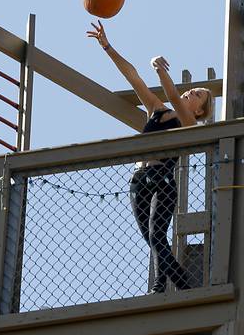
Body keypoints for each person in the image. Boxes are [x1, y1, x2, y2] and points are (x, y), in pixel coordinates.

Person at [87, 21, 213, 293]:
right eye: (195, 89)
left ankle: (169, 285)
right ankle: (173, 284)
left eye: (198, 95)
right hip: (139, 179)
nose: (192, 91)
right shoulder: (156, 109)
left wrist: (159, 69)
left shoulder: (189, 123)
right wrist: (108, 47)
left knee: (157, 234)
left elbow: (171, 94)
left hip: (164, 180)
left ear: (200, 111)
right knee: (152, 239)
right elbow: (133, 77)